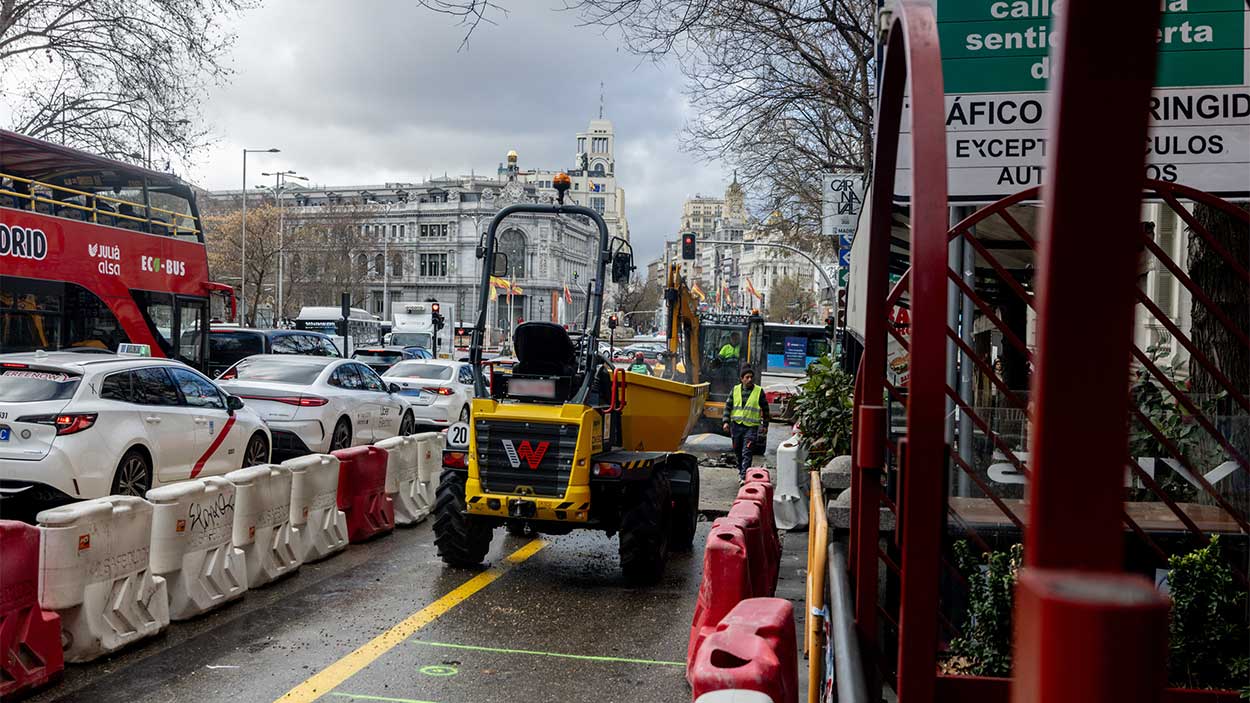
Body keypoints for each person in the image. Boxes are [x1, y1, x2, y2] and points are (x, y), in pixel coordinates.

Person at [723, 366, 769, 480]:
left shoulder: (759, 391)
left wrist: (765, 425)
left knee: (747, 452)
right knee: (738, 451)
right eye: (747, 377)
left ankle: (744, 476)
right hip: (736, 426)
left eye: (751, 377)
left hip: (751, 428)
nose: (750, 379)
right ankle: (741, 471)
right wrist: (726, 422)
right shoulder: (735, 390)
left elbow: (766, 409)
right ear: (741, 379)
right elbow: (728, 407)